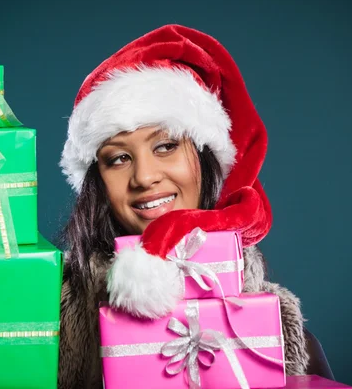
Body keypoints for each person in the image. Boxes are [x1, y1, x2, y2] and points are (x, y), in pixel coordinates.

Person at [56, 24, 326, 388]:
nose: (145, 177)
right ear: (97, 181)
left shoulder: (285, 342)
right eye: (119, 158)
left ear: (204, 158)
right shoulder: (45, 328)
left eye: (165, 146)